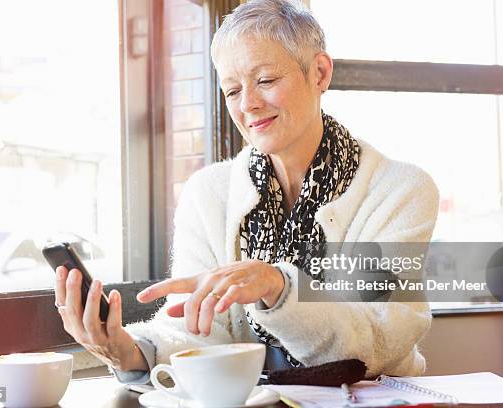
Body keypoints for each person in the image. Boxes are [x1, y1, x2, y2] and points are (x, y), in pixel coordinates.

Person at [53, 0, 439, 384]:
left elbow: (374, 343)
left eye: (266, 80)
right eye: (232, 90)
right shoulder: (207, 193)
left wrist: (277, 285)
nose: (249, 104)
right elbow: (197, 329)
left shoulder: (401, 190)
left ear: (319, 73)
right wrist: (131, 351)